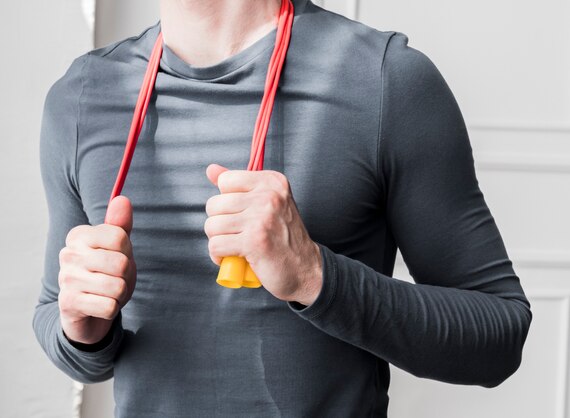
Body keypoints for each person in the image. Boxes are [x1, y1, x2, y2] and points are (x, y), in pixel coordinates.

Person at [32, 0, 533, 416]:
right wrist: (82, 329)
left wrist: (313, 277)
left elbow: (498, 338)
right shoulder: (80, 97)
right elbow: (63, 331)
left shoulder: (385, 80)